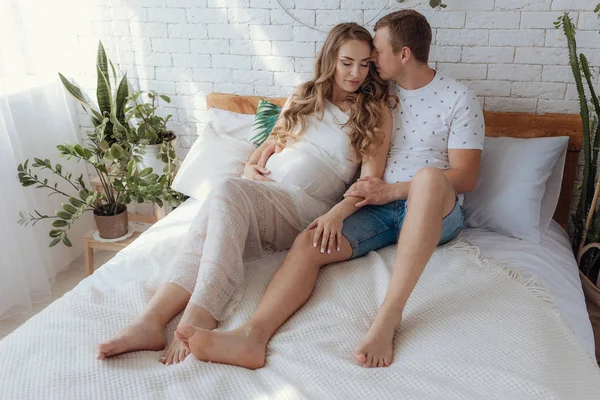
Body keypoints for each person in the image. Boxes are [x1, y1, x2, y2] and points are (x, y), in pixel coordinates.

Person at [174, 10, 484, 370]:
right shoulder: (378, 94)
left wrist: (394, 190)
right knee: (312, 238)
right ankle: (252, 337)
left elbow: (465, 177)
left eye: (376, 54)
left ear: (403, 55)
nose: (368, 62)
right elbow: (312, 131)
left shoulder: (459, 98)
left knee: (430, 177)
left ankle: (388, 318)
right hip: (376, 204)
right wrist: (332, 207)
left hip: (433, 208)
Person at [97, 22, 395, 365]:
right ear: (330, 58)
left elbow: (369, 184)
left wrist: (335, 215)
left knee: (225, 192)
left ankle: (201, 312)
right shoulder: (303, 95)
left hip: (307, 208)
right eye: (347, 62)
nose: (356, 72)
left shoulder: (374, 112)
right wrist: (248, 169)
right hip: (263, 194)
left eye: (364, 64)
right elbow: (269, 146)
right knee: (215, 214)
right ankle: (150, 321)